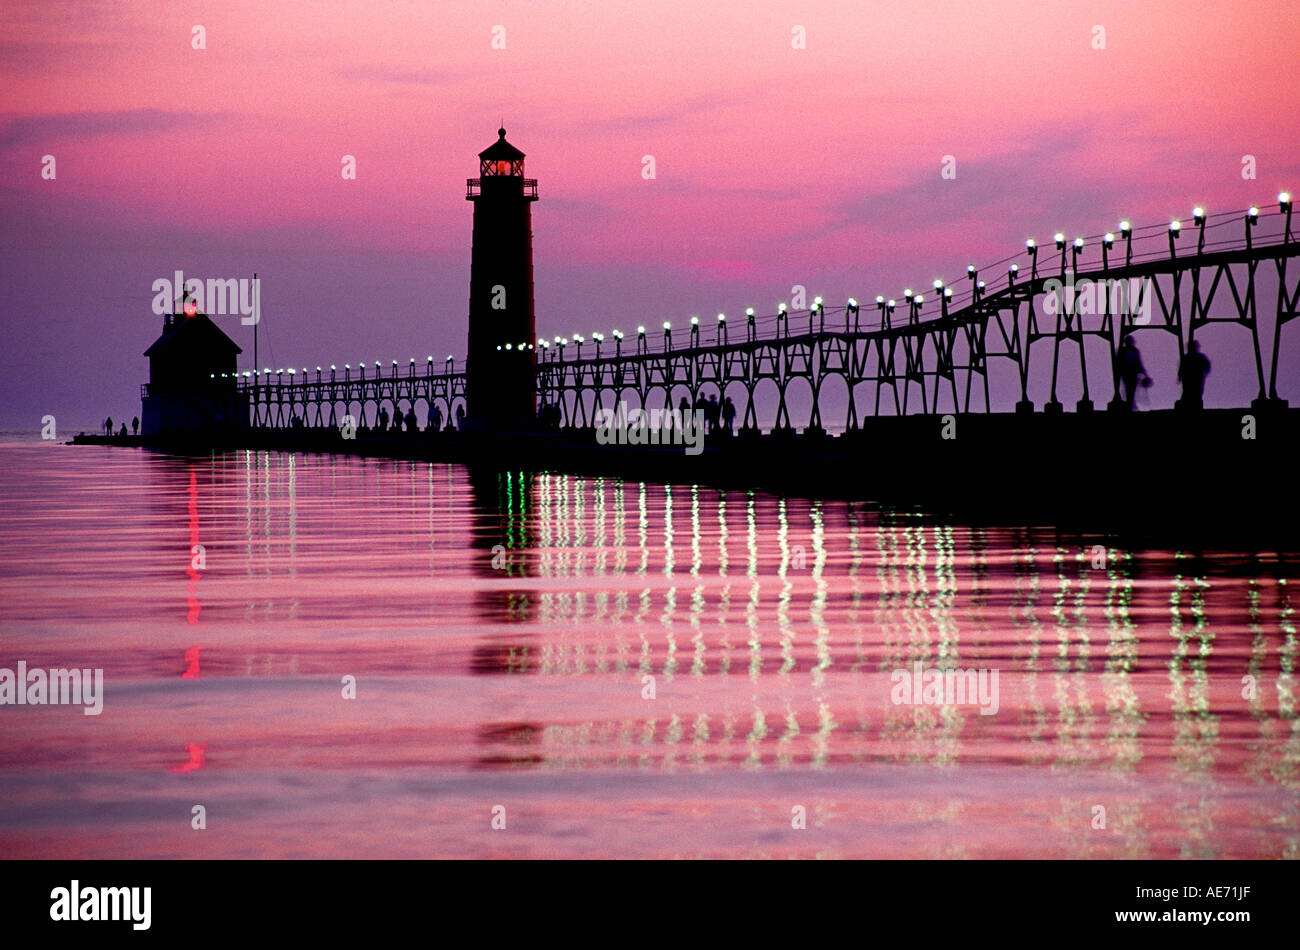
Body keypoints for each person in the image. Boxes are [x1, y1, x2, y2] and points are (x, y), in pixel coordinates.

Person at [1115, 335, 1149, 410]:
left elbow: (1139, 363)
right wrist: (1144, 374)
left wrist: (1144, 373)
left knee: (1131, 389)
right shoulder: (1130, 351)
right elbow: (1139, 363)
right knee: (1129, 389)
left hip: (1131, 373)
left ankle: (1130, 404)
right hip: (1128, 373)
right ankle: (1130, 404)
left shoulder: (1127, 351)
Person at [1178, 340, 1211, 409]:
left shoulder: (1197, 357)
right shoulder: (1187, 358)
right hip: (1190, 380)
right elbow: (1181, 368)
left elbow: (1207, 366)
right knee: (1188, 393)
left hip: (1197, 380)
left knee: (1195, 394)